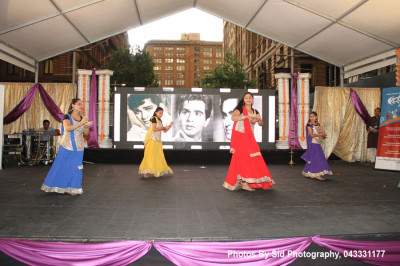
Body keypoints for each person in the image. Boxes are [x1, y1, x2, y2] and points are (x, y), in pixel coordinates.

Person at [223, 92, 275, 191]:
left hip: (249, 136)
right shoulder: (240, 109)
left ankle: (246, 180)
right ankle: (245, 183)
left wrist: (257, 120)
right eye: (246, 98)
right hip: (240, 136)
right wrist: (245, 117)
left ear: (252, 100)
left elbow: (261, 123)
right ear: (243, 99)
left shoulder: (255, 111)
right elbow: (233, 118)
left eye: (250, 98)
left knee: (253, 156)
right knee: (243, 158)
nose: (248, 99)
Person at [41, 98, 93, 195]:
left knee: (77, 166)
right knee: (63, 166)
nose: (81, 106)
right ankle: (59, 185)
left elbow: (86, 133)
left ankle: (73, 188)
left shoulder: (82, 118)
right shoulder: (67, 117)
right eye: (78, 104)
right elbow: (68, 128)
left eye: (81, 104)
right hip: (67, 146)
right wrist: (81, 123)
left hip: (79, 147)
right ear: (72, 105)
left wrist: (87, 126)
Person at [139, 107, 174, 178]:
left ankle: (158, 171)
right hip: (152, 140)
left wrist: (170, 126)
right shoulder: (154, 118)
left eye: (162, 113)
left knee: (158, 156)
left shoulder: (160, 120)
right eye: (160, 113)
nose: (161, 114)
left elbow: (164, 130)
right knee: (149, 156)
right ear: (156, 112)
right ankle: (145, 172)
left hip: (157, 141)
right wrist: (161, 128)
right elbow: (154, 129)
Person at [301, 111, 332, 180]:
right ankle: (316, 174)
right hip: (313, 143)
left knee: (317, 158)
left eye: (313, 116)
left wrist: (323, 134)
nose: (312, 118)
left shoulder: (318, 124)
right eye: (310, 117)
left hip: (317, 143)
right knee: (316, 158)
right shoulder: (309, 125)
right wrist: (320, 134)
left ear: (316, 117)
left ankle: (311, 172)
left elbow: (321, 135)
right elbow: (311, 135)